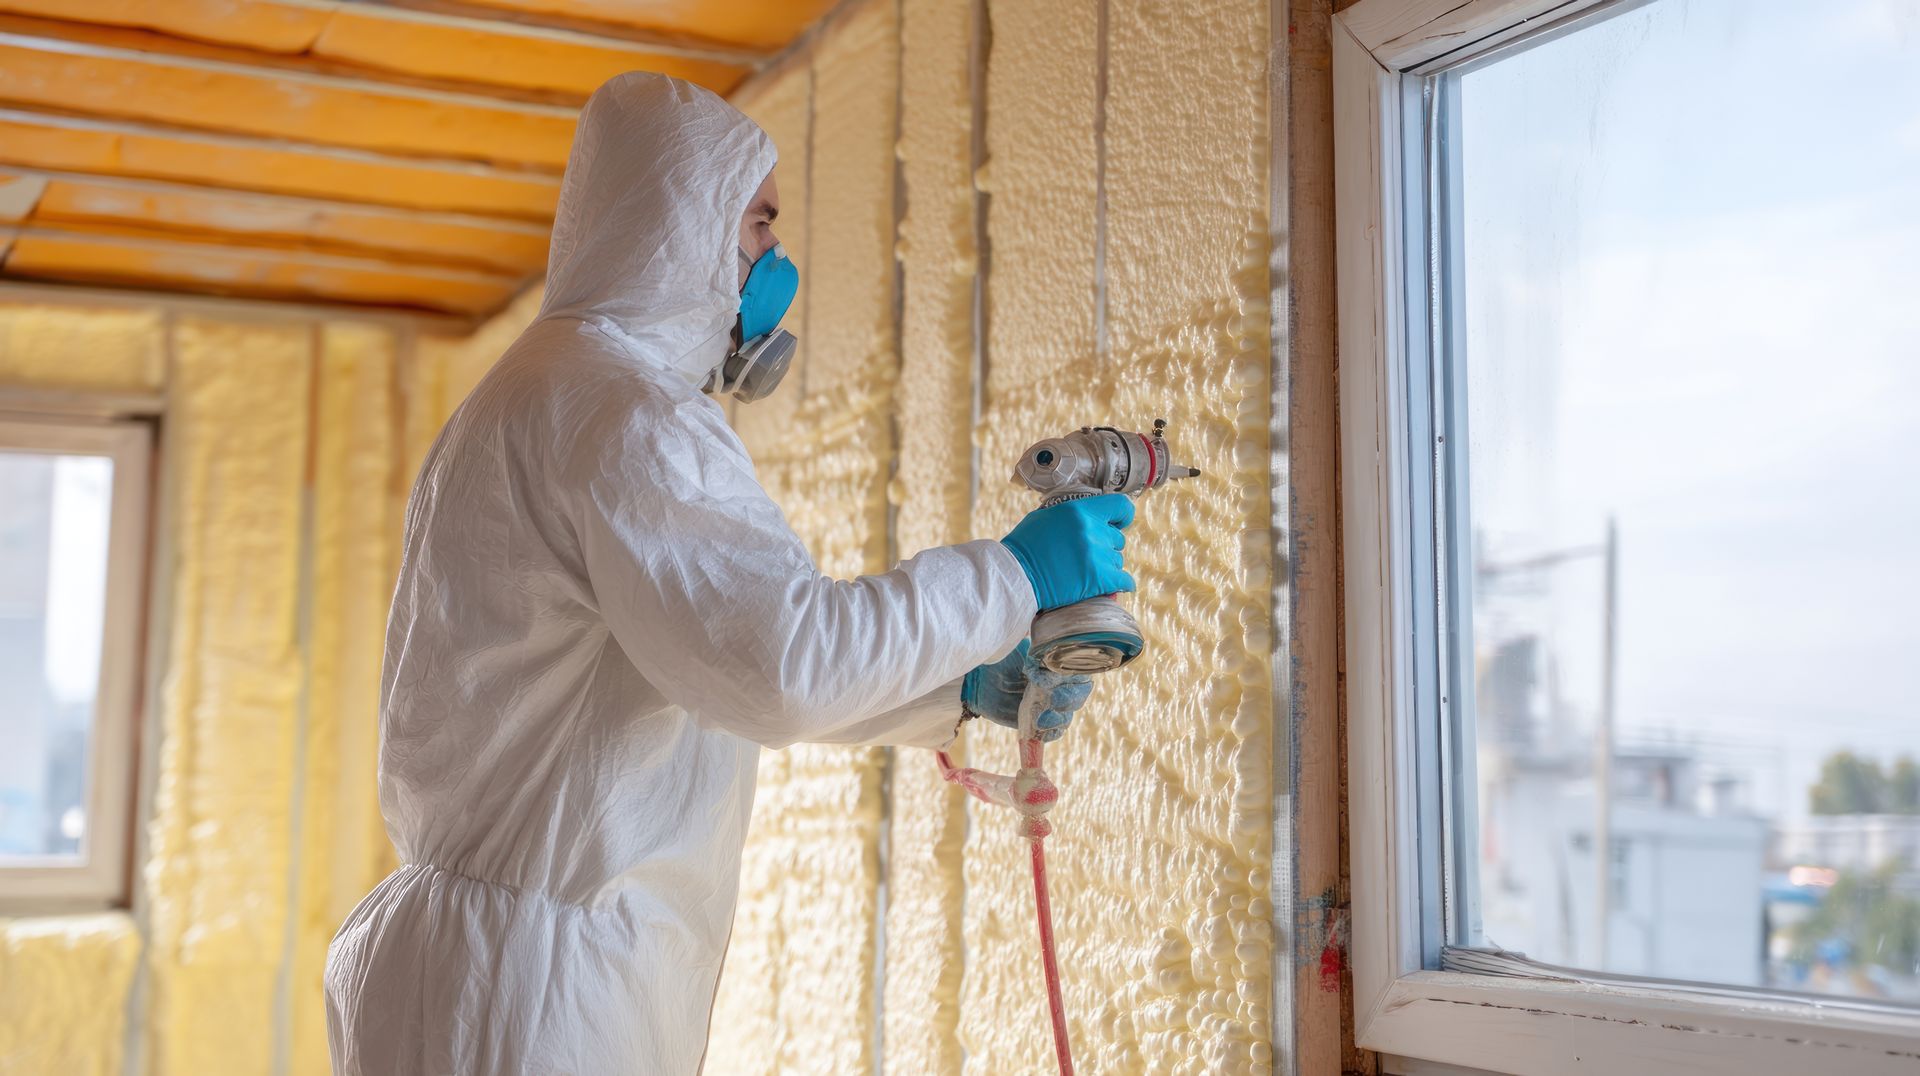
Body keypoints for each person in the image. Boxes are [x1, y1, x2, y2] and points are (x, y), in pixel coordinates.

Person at [322, 72, 1133, 1075]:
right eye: (757, 223)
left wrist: (953, 689)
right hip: (538, 988)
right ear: (678, 224)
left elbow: (692, 668)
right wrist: (1011, 576)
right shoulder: (626, 412)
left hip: (469, 960)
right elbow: (780, 666)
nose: (772, 261)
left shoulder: (539, 393)